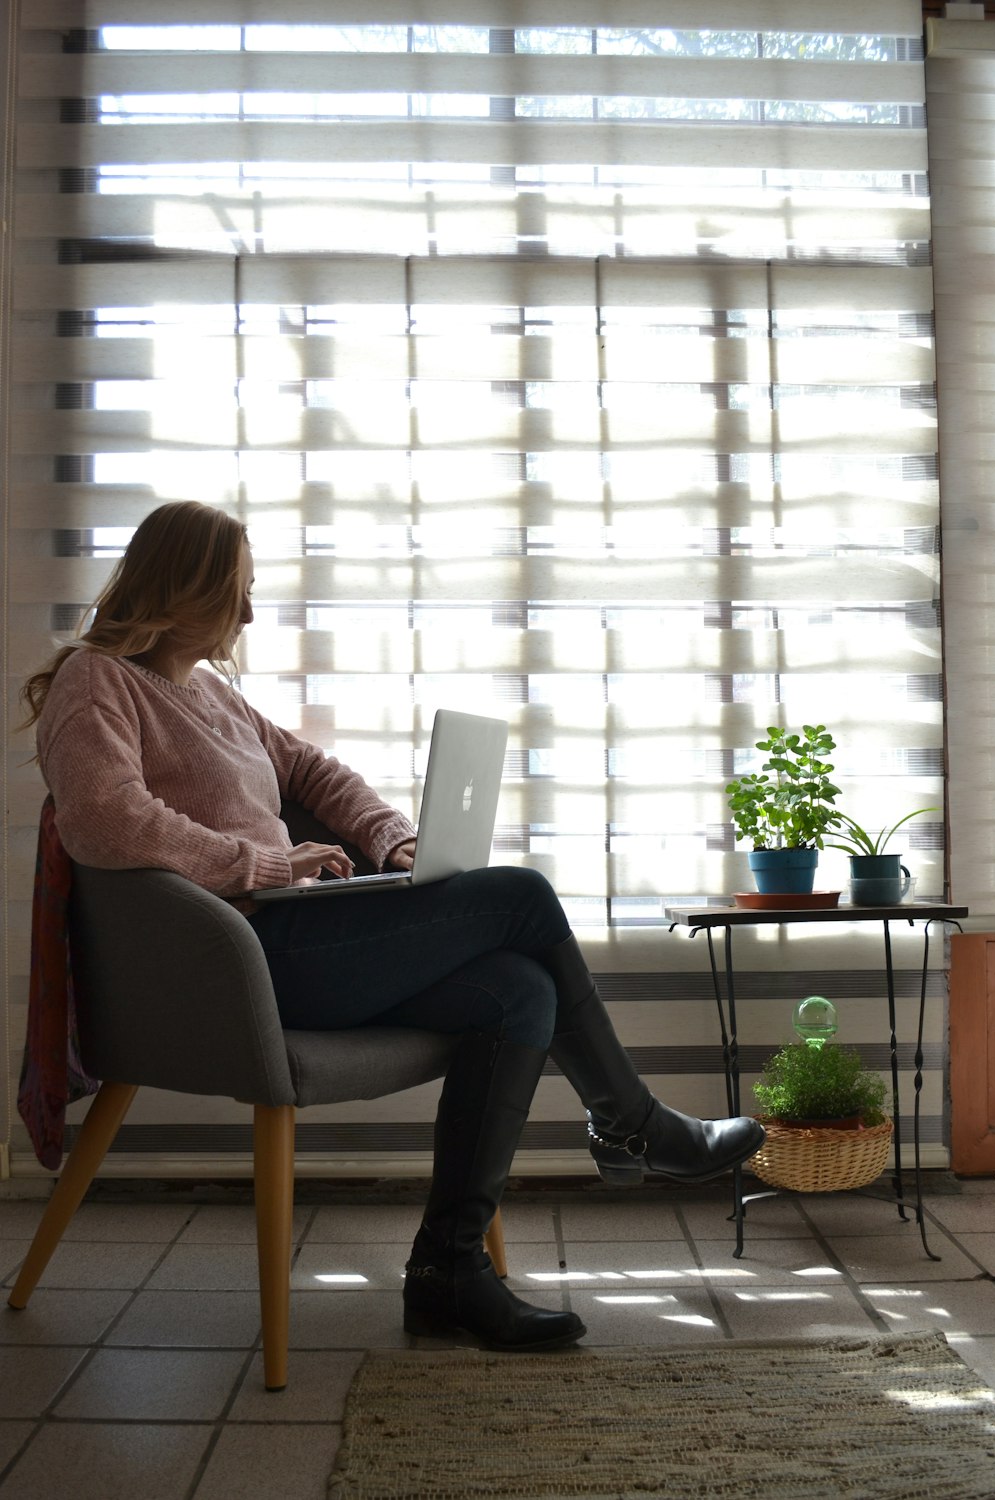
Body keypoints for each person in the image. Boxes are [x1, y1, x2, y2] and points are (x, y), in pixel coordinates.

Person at [23, 501, 765, 1354]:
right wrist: (263, 864)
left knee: (518, 992)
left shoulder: (212, 694)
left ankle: (448, 1273)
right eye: (239, 593)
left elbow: (310, 770)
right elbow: (104, 820)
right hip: (240, 962)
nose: (252, 615)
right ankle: (635, 1122)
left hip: (291, 941)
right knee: (521, 897)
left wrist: (390, 837)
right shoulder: (95, 681)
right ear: (181, 588)